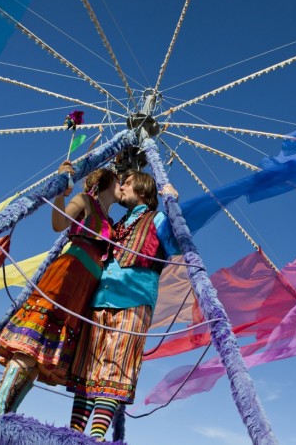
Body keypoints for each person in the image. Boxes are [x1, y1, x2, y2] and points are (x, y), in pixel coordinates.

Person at [0, 160, 120, 414]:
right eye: (118, 181)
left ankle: (5, 410)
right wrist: (61, 192)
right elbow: (59, 223)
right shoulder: (85, 200)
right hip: (66, 277)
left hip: (84, 287)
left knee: (43, 353)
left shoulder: (111, 219)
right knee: (34, 341)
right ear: (106, 182)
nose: (121, 185)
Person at [66, 170, 179, 441]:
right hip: (99, 298)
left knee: (115, 367)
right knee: (86, 368)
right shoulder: (115, 223)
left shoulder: (158, 218)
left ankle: (95, 437)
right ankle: (71, 434)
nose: (122, 187)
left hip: (133, 300)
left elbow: (176, 244)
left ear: (141, 188)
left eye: (127, 183)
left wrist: (174, 204)